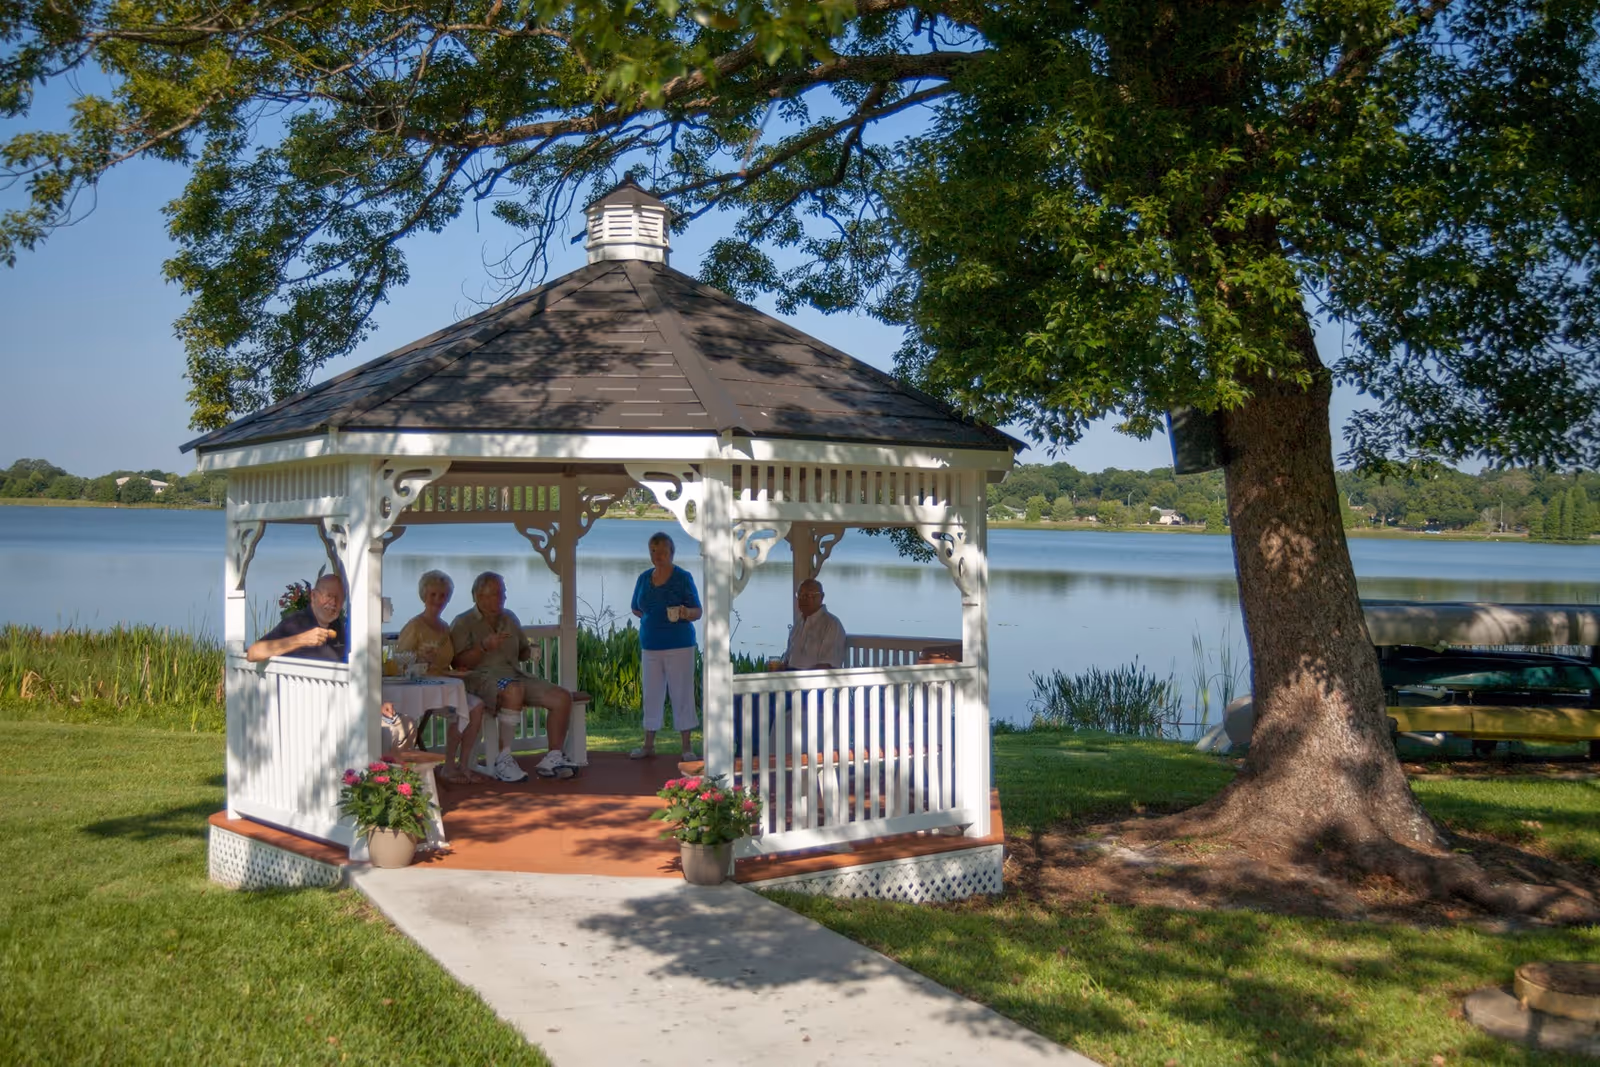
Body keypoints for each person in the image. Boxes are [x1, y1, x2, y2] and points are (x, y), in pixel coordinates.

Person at [450, 571, 578, 781]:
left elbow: (521, 652)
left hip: (514, 676)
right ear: (479, 596)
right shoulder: (463, 622)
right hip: (481, 680)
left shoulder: (509, 618)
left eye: (503, 593)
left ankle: (553, 758)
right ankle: (504, 759)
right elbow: (457, 663)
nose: (502, 598)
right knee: (514, 689)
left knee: (562, 697)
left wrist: (531, 651)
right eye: (496, 594)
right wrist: (483, 647)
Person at [396, 569, 485, 785]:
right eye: (433, 594)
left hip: (444, 684)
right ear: (424, 595)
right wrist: (419, 658)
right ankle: (444, 767)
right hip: (420, 687)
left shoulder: (445, 628)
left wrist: (459, 668)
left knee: (477, 705)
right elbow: (400, 660)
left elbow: (448, 662)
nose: (438, 599)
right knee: (458, 708)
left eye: (443, 595)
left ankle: (460, 765)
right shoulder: (415, 625)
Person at [629, 531, 702, 760]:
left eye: (662, 551)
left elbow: (697, 611)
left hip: (679, 644)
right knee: (651, 694)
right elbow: (635, 608)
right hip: (650, 645)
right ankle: (648, 745)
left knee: (681, 694)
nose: (657, 556)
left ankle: (686, 747)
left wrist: (683, 612)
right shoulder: (643, 578)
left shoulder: (683, 577)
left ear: (671, 553)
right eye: (653, 551)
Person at [246, 574, 347, 662]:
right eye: (329, 596)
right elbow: (253, 652)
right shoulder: (296, 623)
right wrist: (302, 639)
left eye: (339, 597)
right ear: (313, 596)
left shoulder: (340, 626)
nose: (334, 602)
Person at [779, 578, 848, 670]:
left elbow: (828, 665)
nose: (803, 599)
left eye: (808, 595)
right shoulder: (799, 622)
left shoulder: (831, 624)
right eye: (800, 595)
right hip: (791, 678)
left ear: (821, 597)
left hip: (814, 680)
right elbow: (788, 658)